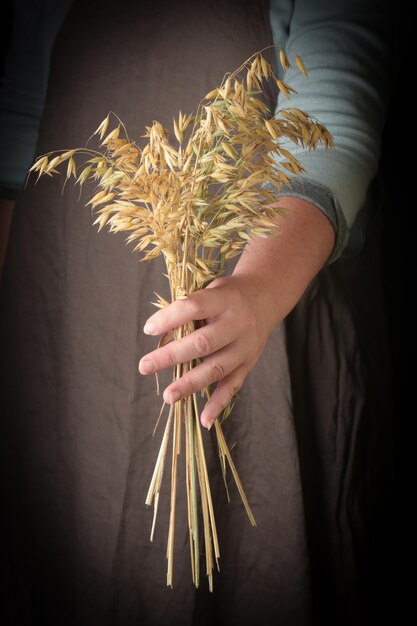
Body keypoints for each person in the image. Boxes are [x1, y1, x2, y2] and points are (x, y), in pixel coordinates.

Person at [0, 1, 394, 624]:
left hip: (261, 297)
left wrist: (260, 292)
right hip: (65, 307)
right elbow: (18, 119)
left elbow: (336, 105)